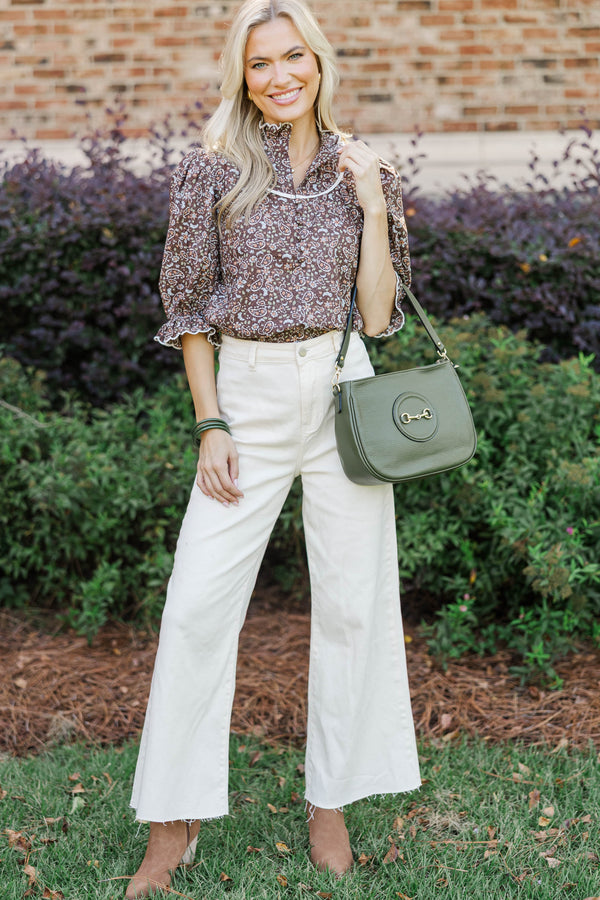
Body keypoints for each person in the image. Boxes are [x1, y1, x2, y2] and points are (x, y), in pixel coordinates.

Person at [125, 0, 420, 895]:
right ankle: (172, 823)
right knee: (196, 606)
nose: (281, 76)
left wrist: (372, 204)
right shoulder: (210, 167)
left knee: (352, 603)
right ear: (241, 76)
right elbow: (187, 310)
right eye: (262, 64)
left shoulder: (363, 166)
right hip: (245, 397)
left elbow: (376, 315)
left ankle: (330, 803)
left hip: (342, 384)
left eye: (296, 57)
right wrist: (210, 424)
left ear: (320, 64)